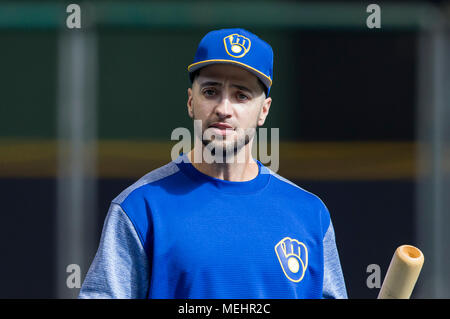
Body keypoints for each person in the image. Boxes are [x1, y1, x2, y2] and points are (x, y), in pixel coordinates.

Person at [79, 28, 347, 299]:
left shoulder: (310, 214)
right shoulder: (141, 208)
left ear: (263, 110)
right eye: (210, 91)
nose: (223, 108)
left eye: (241, 95)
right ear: (190, 102)